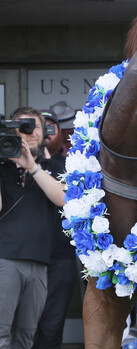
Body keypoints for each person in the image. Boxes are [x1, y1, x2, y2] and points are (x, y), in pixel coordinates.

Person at [0, 107, 66, 349]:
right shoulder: (2, 167)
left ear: (44, 132)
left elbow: (63, 198)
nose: (29, 133)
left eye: (34, 126)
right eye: (22, 127)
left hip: (40, 263)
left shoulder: (53, 168)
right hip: (5, 259)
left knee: (26, 338)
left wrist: (33, 167)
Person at [31, 110, 78, 349]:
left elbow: (65, 194)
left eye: (51, 129)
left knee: (51, 327)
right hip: (26, 256)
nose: (46, 135)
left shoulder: (68, 164)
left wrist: (48, 162)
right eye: (41, 128)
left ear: (61, 134)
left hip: (60, 259)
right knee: (22, 326)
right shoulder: (17, 162)